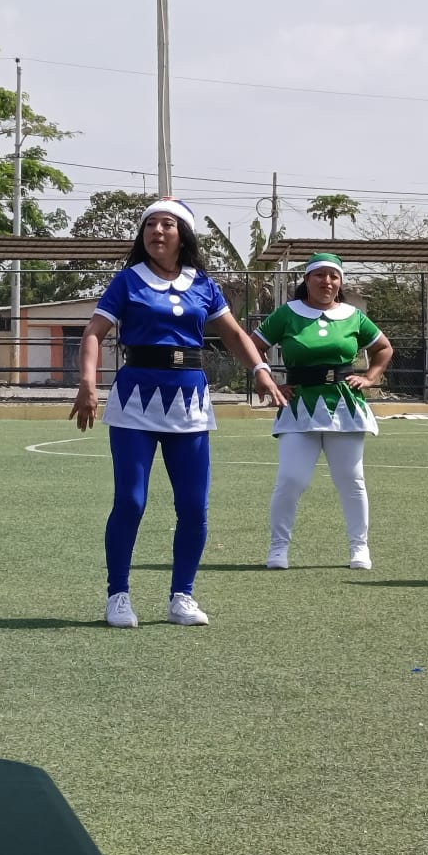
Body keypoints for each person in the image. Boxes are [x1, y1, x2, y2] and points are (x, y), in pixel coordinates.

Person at [70, 198, 286, 628]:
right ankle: (118, 596)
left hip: (189, 402)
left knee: (193, 506)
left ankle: (182, 596)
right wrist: (88, 383)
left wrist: (260, 371)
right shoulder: (128, 280)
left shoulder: (203, 283)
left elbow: (234, 334)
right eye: (150, 224)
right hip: (135, 400)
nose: (158, 231)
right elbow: (94, 332)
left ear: (182, 234)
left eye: (167, 224)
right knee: (130, 501)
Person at [251, 253, 394, 571]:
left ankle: (359, 548)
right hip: (299, 405)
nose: (326, 281)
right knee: (291, 479)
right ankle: (278, 548)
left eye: (333, 276)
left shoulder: (353, 315)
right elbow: (253, 345)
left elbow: (383, 348)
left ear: (340, 282)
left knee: (351, 480)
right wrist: (269, 379)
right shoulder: (288, 313)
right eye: (319, 275)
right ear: (307, 279)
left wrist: (370, 377)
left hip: (345, 405)